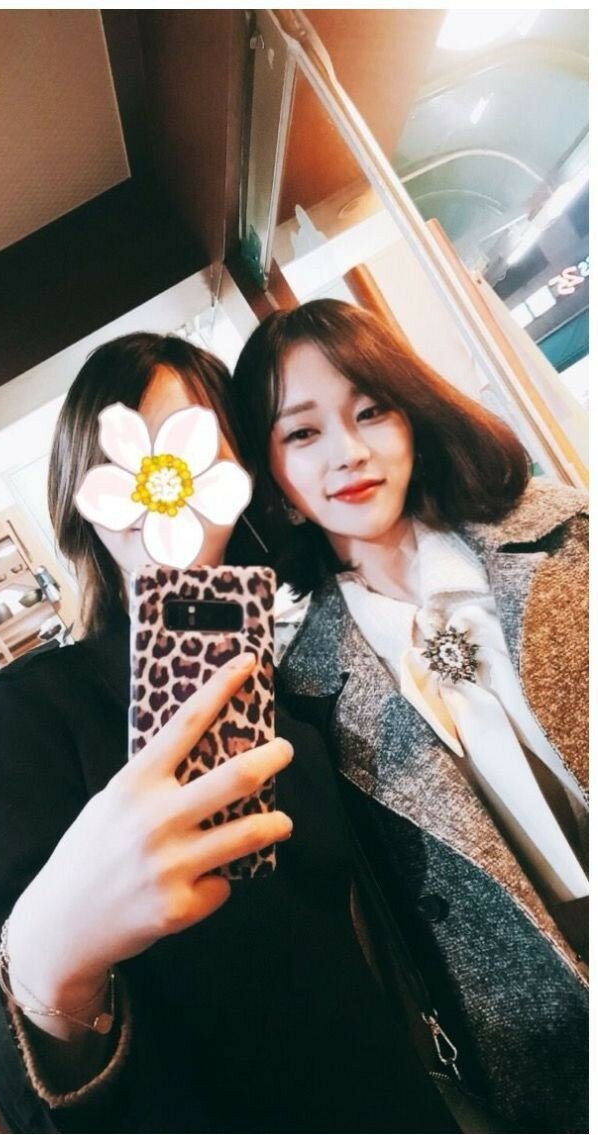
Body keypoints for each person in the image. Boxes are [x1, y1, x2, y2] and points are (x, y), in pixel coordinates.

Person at [0, 332, 459, 1135]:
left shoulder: (295, 678)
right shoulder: (25, 713)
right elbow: (26, 1101)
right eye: (132, 457)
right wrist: (56, 957)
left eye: (197, 452)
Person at [230, 298, 589, 1135]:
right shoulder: (301, 695)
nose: (349, 452)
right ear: (273, 484)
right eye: (303, 432)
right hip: (547, 1061)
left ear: (412, 416)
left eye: (370, 410)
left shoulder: (568, 535)